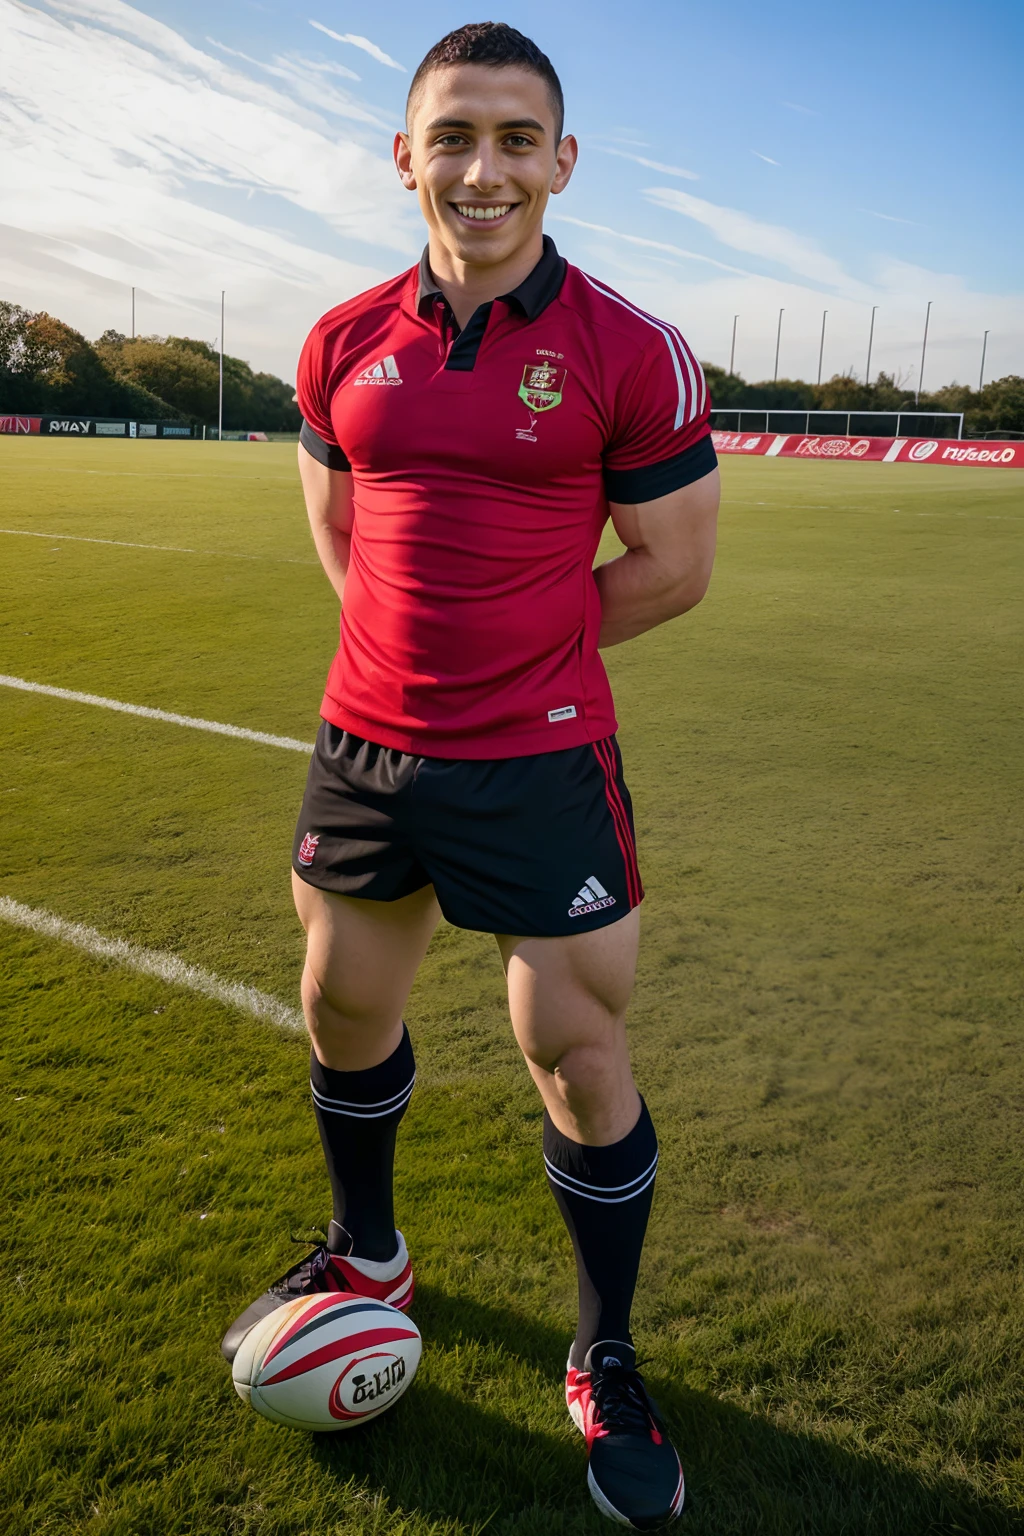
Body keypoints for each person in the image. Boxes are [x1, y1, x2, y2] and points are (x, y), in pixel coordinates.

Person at [222, 21, 718, 1529]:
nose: (482, 168)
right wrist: (405, 669)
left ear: (562, 162)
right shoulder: (338, 338)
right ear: (405, 157)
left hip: (544, 761)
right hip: (367, 751)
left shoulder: (631, 348)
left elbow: (673, 569)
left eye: (516, 139)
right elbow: (339, 536)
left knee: (574, 1051)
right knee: (342, 1004)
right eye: (453, 136)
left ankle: (605, 1351)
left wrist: (519, 661)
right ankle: (368, 1250)